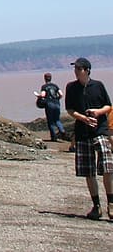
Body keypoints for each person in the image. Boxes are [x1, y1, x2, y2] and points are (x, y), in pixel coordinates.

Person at [65, 57, 113, 220]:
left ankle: (111, 203)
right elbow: (70, 109)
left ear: (87, 70)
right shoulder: (71, 87)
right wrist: (83, 118)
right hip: (82, 133)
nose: (76, 71)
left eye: (79, 68)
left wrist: (98, 112)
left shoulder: (98, 85)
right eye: (75, 68)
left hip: (100, 131)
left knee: (107, 167)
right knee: (88, 171)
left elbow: (108, 105)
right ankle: (96, 206)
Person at [37, 71, 66, 141]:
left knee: (50, 121)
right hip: (57, 103)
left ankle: (53, 137)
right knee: (57, 119)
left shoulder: (44, 86)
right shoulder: (55, 86)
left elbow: (43, 95)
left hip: (49, 104)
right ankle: (62, 130)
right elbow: (61, 94)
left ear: (45, 79)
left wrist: (38, 96)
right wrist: (57, 99)